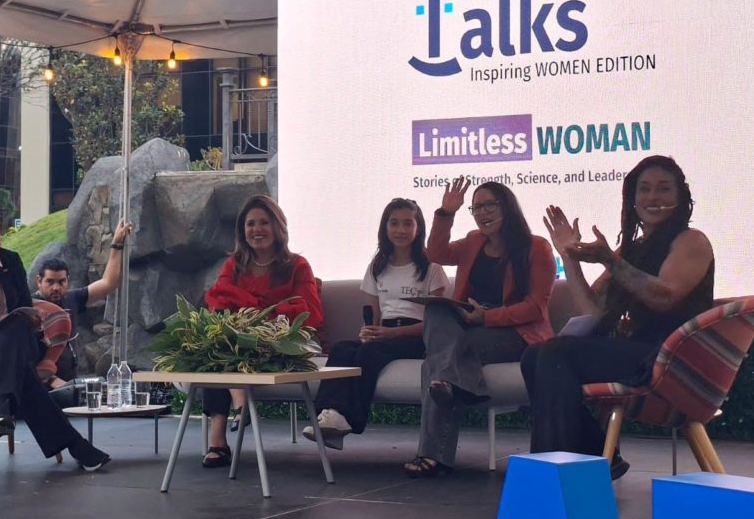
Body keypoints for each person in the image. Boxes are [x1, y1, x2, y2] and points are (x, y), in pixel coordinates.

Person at [520, 155, 715, 480]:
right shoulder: (632, 250)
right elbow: (593, 310)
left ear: (680, 197)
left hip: (672, 359)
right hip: (639, 354)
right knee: (533, 356)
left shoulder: (691, 240)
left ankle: (557, 472)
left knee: (555, 353)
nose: (653, 197)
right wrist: (569, 255)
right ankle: (593, 454)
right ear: (632, 198)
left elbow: (664, 296)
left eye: (663, 189)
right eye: (644, 189)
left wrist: (610, 260)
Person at [0, 195, 111, 471]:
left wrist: (27, 320)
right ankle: (71, 443)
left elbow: (24, 308)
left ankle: (0, 408)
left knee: (14, 327)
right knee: (18, 363)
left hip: (14, 343)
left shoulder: (9, 261)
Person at [404, 179, 556, 477]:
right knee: (437, 310)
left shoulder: (536, 247)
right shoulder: (474, 241)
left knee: (435, 363)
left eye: (489, 206)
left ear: (507, 208)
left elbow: (535, 308)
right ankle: (449, 385)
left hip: (517, 334)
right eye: (476, 208)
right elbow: (436, 253)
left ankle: (433, 455)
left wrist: (487, 318)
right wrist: (446, 213)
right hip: (471, 327)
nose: (482, 213)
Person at [303, 198, 449, 449]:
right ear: (385, 227)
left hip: (416, 337)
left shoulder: (432, 268)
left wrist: (392, 334)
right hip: (385, 332)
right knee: (342, 349)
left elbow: (436, 323)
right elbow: (374, 314)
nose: (401, 230)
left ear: (418, 228)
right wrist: (369, 331)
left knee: (368, 354)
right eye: (394, 223)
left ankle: (348, 420)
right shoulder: (377, 266)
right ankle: (327, 416)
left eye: (408, 223)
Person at [200, 194, 324, 468]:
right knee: (219, 343)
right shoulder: (234, 265)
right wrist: (253, 314)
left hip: (281, 342)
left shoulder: (297, 265)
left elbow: (309, 312)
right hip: (237, 339)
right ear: (242, 231)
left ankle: (226, 427)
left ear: (278, 226)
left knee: (226, 347)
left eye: (264, 222)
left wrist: (253, 311)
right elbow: (218, 300)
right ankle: (231, 417)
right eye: (250, 224)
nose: (257, 229)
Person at [34, 219, 132, 385]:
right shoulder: (31, 307)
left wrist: (116, 244)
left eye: (61, 281)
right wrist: (52, 381)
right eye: (50, 282)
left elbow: (108, 283)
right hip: (40, 384)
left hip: (69, 381)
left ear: (68, 280)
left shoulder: (71, 299)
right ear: (38, 281)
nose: (56, 287)